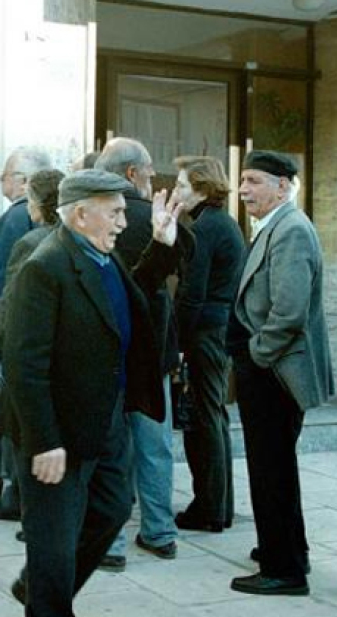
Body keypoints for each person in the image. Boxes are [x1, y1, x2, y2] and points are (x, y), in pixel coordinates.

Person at [4, 169, 183, 617]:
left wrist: (162, 245)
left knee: (112, 509)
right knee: (54, 540)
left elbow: (131, 294)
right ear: (81, 214)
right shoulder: (44, 267)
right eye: (116, 212)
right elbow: (25, 366)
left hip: (105, 418)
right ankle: (48, 600)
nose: (124, 222)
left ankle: (41, 588)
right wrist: (44, 441)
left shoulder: (103, 255)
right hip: (57, 430)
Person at [227, 150, 331, 596]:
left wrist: (256, 355)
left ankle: (283, 569)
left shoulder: (290, 231)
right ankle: (288, 548)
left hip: (274, 373)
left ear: (283, 186)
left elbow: (288, 313)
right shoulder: (276, 226)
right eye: (243, 180)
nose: (243, 189)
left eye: (253, 181)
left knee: (272, 470)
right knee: (275, 468)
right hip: (267, 370)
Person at [94, 137, 184, 569]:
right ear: (132, 173)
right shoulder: (154, 217)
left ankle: (110, 543)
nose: (153, 180)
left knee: (113, 449)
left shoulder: (91, 218)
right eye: (149, 172)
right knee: (154, 445)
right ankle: (160, 531)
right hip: (153, 351)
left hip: (109, 353)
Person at [172, 156, 247, 533]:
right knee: (212, 416)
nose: (176, 192)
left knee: (205, 418)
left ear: (201, 188)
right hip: (217, 330)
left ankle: (211, 508)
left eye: (183, 186)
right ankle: (217, 505)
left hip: (207, 332)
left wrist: (178, 340)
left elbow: (192, 293)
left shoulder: (206, 227)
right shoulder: (220, 223)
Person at [0, 168, 64, 523]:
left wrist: (1, 338)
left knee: (19, 428)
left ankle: (19, 500)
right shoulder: (67, 239)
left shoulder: (32, 244)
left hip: (28, 352)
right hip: (58, 353)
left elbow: (11, 301)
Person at [0, 146, 53, 427]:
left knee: (7, 414)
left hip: (9, 333)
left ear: (23, 180)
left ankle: (5, 470)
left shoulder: (15, 218)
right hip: (28, 329)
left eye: (3, 176)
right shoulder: (41, 222)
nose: (1, 182)